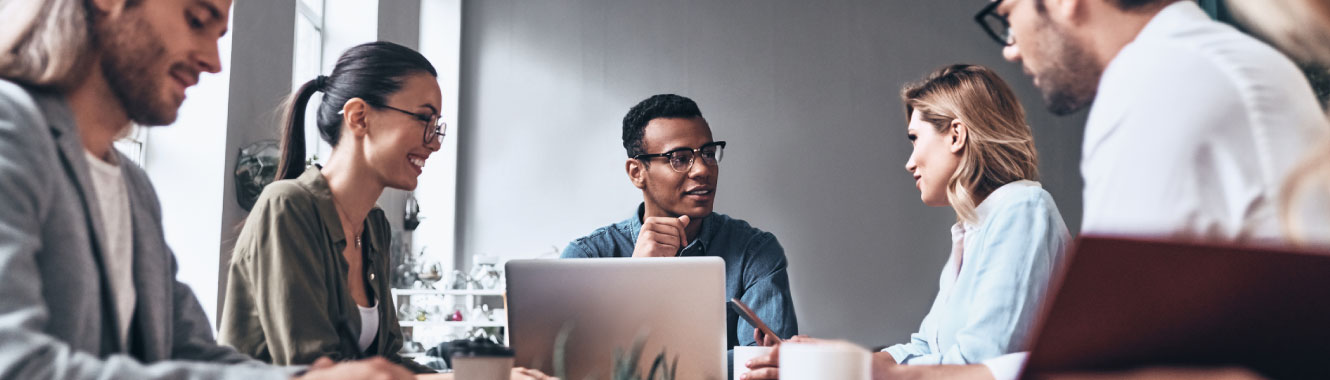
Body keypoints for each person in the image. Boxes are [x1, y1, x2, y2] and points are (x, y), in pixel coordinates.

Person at [884, 0, 1330, 379]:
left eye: (1007, 13)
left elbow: (1112, 358)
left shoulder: (1158, 78)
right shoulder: (1203, 61)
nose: (1012, 48)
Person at [0, 0, 416, 378]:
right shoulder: (10, 131)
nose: (214, 62)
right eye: (196, 20)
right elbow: (16, 364)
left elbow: (190, 350)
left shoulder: (132, 186)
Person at [742, 64, 1071, 379]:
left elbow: (978, 365)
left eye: (914, 138)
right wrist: (826, 359)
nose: (910, 163)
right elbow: (925, 346)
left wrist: (848, 370)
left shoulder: (1022, 208)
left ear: (956, 135)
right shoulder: (972, 230)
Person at [560, 94, 799, 352]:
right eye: (680, 158)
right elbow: (567, 366)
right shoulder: (587, 259)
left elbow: (766, 365)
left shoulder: (754, 252)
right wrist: (634, 281)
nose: (703, 170)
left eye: (708, 153)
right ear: (637, 172)